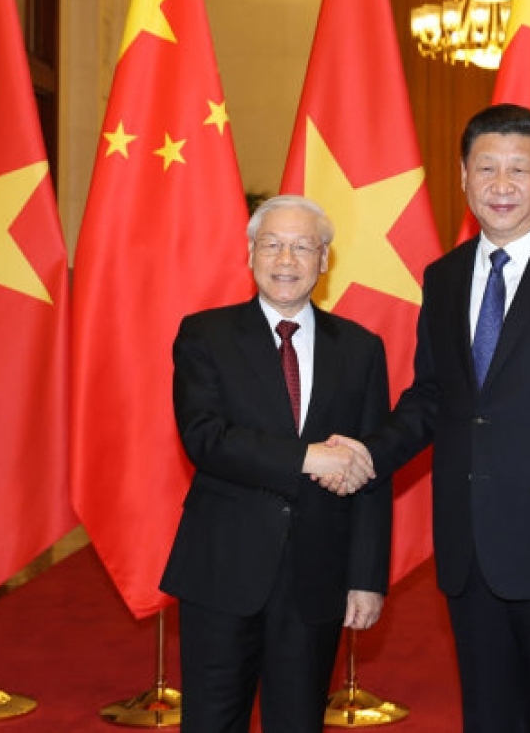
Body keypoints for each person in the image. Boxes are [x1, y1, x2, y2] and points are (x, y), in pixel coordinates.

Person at [327, 104, 530, 732]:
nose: (501, 186)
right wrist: (368, 453)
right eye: (487, 169)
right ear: (463, 176)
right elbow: (433, 397)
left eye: (519, 170)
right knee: (489, 715)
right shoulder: (444, 277)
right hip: (471, 548)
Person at [160, 194, 390, 733]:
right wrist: (308, 457)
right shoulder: (204, 335)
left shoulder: (360, 348)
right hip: (222, 568)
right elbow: (205, 438)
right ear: (250, 253)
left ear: (325, 260)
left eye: (302, 247)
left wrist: (367, 577)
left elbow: (371, 472)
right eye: (272, 245)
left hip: (317, 575)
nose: (286, 260)